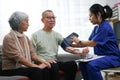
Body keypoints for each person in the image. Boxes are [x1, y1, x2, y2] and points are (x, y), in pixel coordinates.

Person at [31, 10, 89, 80]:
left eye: (53, 18)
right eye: (49, 18)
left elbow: (67, 48)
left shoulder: (57, 35)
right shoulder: (35, 35)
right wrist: (43, 61)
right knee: (53, 67)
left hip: (54, 62)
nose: (52, 20)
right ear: (42, 20)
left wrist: (81, 52)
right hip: (42, 63)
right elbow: (32, 55)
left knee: (72, 65)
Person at [0, 11, 59, 80]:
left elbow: (33, 54)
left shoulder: (26, 38)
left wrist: (44, 62)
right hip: (10, 70)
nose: (28, 24)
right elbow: (19, 58)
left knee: (48, 67)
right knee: (37, 70)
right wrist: (36, 66)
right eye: (26, 21)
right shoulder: (8, 38)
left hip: (23, 68)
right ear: (19, 23)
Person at [71, 4, 120, 80]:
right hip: (102, 57)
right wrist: (73, 45)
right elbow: (88, 42)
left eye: (91, 16)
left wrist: (78, 41)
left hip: (113, 57)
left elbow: (92, 43)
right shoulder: (96, 28)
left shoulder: (105, 27)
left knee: (92, 65)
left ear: (98, 14)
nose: (89, 18)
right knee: (82, 64)